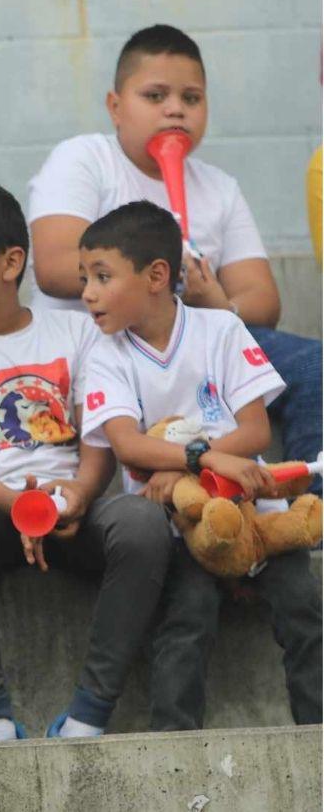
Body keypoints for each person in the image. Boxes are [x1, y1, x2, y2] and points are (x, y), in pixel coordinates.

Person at [0, 183, 171, 741]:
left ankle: (90, 713)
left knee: (144, 522)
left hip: (77, 504)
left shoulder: (76, 330)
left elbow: (99, 433)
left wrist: (76, 493)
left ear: (11, 262)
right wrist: (24, 506)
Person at [26, 24, 321, 490]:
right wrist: (151, 284)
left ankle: (305, 498)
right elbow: (55, 266)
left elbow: (263, 300)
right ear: (115, 107)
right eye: (155, 95)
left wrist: (220, 305)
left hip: (197, 339)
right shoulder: (83, 160)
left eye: (192, 98)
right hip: (102, 342)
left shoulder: (219, 187)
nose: (175, 109)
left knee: (312, 364)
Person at [77, 201, 322, 729]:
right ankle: (175, 746)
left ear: (156, 276)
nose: (87, 293)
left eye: (102, 276)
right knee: (187, 618)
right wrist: (202, 461)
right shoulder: (105, 353)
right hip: (178, 525)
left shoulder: (221, 330)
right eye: (84, 278)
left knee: (303, 608)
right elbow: (128, 446)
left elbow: (256, 430)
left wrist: (187, 468)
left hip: (256, 510)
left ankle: (316, 733)